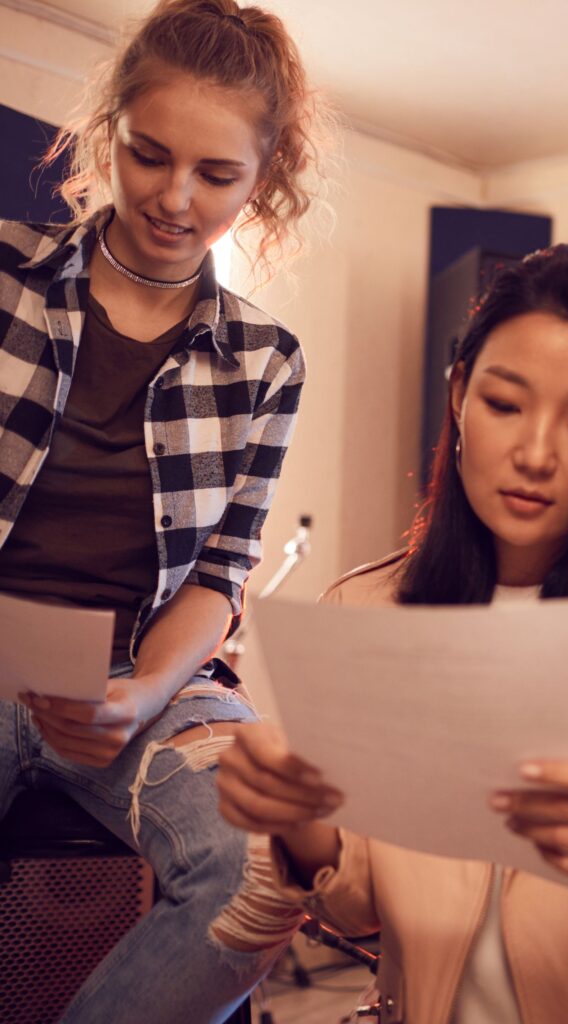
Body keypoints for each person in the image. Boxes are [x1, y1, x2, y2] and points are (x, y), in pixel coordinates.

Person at [217, 246, 568, 1022]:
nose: (534, 454)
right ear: (458, 394)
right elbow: (357, 907)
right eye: (505, 405)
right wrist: (297, 818)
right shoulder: (372, 609)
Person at [0, 1, 327, 1020]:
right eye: (149, 154)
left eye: (217, 175)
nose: (174, 197)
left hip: (141, 682)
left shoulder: (267, 361)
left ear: (262, 181)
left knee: (264, 864)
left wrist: (140, 695)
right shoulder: (7, 272)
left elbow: (221, 576)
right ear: (112, 134)